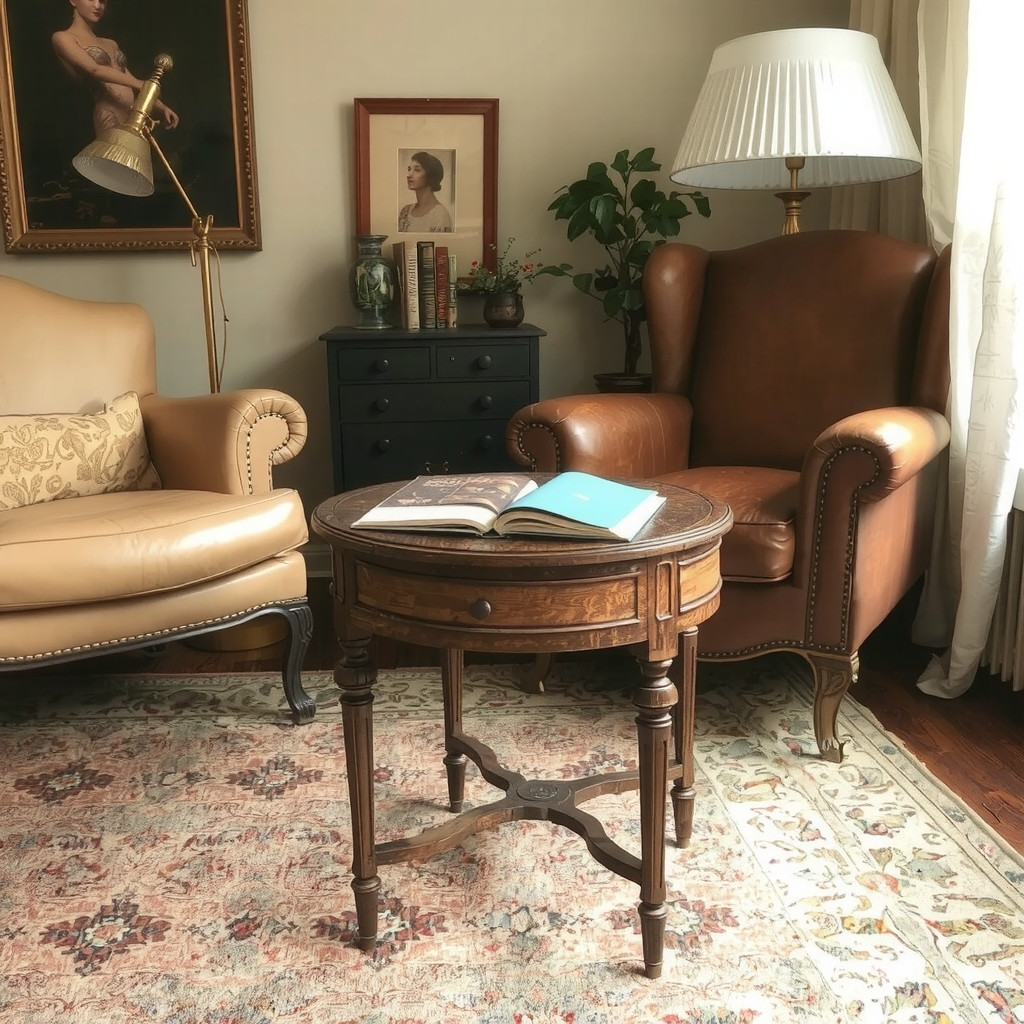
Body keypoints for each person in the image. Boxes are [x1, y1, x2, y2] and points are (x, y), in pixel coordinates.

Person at [51, 0, 179, 137]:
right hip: (110, 114)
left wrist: (161, 107)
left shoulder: (111, 44)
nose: (97, 6)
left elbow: (129, 80)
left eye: (102, 1)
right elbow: (94, 69)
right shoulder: (63, 37)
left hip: (134, 116)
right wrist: (141, 84)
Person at [398, 151, 453, 233]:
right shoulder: (405, 211)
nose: (409, 175)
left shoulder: (440, 215)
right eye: (409, 169)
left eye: (417, 170)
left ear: (430, 175)